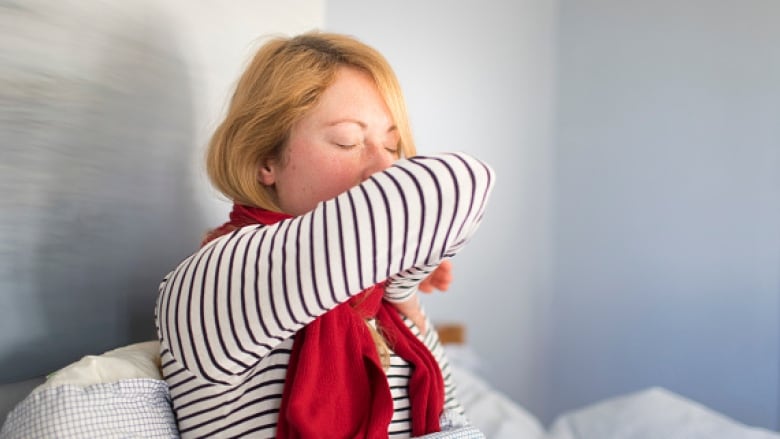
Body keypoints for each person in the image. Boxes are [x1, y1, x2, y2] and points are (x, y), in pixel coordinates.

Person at [155, 31, 494, 438]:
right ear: (267, 159)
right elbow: (459, 182)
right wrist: (403, 281)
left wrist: (401, 285)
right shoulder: (212, 280)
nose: (385, 169)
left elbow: (453, 423)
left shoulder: (383, 308)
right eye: (348, 140)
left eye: (392, 145)